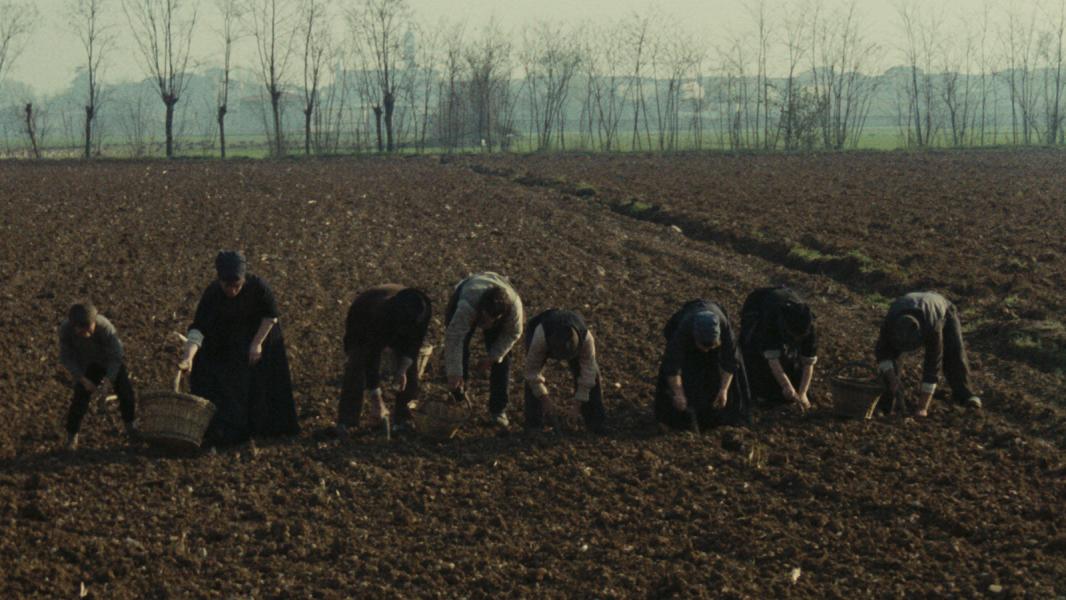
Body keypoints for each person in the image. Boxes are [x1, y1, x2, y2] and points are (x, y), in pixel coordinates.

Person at [177, 251, 299, 445]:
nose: (232, 291)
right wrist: (189, 356)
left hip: (261, 334)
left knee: (261, 381)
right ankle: (227, 428)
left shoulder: (258, 287)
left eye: (237, 286)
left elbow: (270, 317)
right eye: (228, 286)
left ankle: (264, 427)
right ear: (220, 281)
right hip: (228, 337)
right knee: (217, 374)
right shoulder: (212, 294)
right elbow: (198, 329)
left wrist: (256, 344)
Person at [336, 284, 432, 436]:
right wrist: (376, 400)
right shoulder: (379, 316)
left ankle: (403, 420)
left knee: (410, 371)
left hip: (399, 321)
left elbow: (415, 343)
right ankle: (347, 421)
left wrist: (402, 369)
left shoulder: (423, 307)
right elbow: (371, 357)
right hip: (362, 318)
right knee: (357, 363)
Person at [875, 291, 981, 417]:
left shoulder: (932, 327)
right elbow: (883, 352)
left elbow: (933, 364)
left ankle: (965, 395)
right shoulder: (890, 322)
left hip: (942, 309)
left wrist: (922, 407)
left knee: (954, 353)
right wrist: (893, 380)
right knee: (890, 366)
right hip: (906, 305)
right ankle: (886, 401)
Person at [655, 299, 751, 431]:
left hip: (714, 326)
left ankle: (723, 416)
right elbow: (672, 366)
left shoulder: (725, 329)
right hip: (687, 331)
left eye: (710, 347)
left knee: (721, 371)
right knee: (688, 372)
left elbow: (730, 363)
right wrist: (679, 393)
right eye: (703, 346)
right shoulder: (683, 330)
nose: (706, 351)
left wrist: (724, 390)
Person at [444, 272, 523, 427]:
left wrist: (493, 356)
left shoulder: (514, 310)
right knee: (461, 353)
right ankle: (458, 400)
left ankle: (498, 410)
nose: (483, 324)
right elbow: (454, 338)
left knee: (502, 361)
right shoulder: (468, 304)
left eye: (488, 321)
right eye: (483, 318)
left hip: (499, 313)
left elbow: (514, 333)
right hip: (468, 292)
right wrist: (454, 372)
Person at [58, 303, 137, 449]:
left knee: (126, 393)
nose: (84, 334)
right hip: (88, 364)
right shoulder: (66, 330)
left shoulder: (105, 328)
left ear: (94, 322)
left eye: (88, 330)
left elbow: (116, 356)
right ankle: (72, 436)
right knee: (80, 397)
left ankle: (131, 426)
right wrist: (82, 378)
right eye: (80, 331)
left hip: (108, 361)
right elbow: (66, 357)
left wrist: (109, 380)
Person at [522, 309, 606, 433]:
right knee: (531, 380)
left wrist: (577, 406)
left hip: (572, 342)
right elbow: (531, 371)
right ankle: (534, 424)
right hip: (540, 331)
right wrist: (545, 399)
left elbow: (588, 373)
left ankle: (595, 422)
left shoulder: (586, 339)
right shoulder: (540, 336)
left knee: (593, 375)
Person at [739, 286, 817, 412]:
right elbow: (773, 359)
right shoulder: (771, 322)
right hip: (757, 307)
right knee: (754, 352)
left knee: (792, 362)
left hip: (785, 298)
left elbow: (808, 362)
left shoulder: (809, 326)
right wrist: (786, 386)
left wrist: (802, 393)